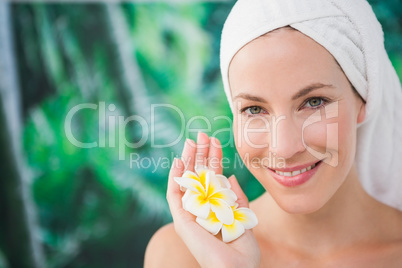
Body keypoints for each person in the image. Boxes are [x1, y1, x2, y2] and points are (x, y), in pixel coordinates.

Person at [145, 0, 402, 266]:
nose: (284, 149)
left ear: (364, 98)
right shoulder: (182, 255)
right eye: (254, 109)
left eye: (314, 102)